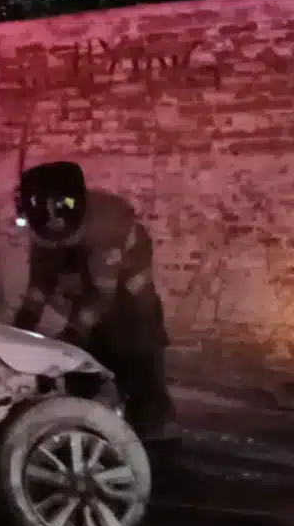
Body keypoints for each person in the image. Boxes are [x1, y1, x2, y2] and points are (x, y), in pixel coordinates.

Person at [10, 160, 178, 462]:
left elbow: (103, 295)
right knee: (81, 362)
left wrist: (71, 334)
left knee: (135, 357)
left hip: (130, 301)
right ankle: (87, 424)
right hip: (92, 294)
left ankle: (157, 442)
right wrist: (20, 330)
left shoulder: (107, 224)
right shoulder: (44, 226)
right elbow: (41, 282)